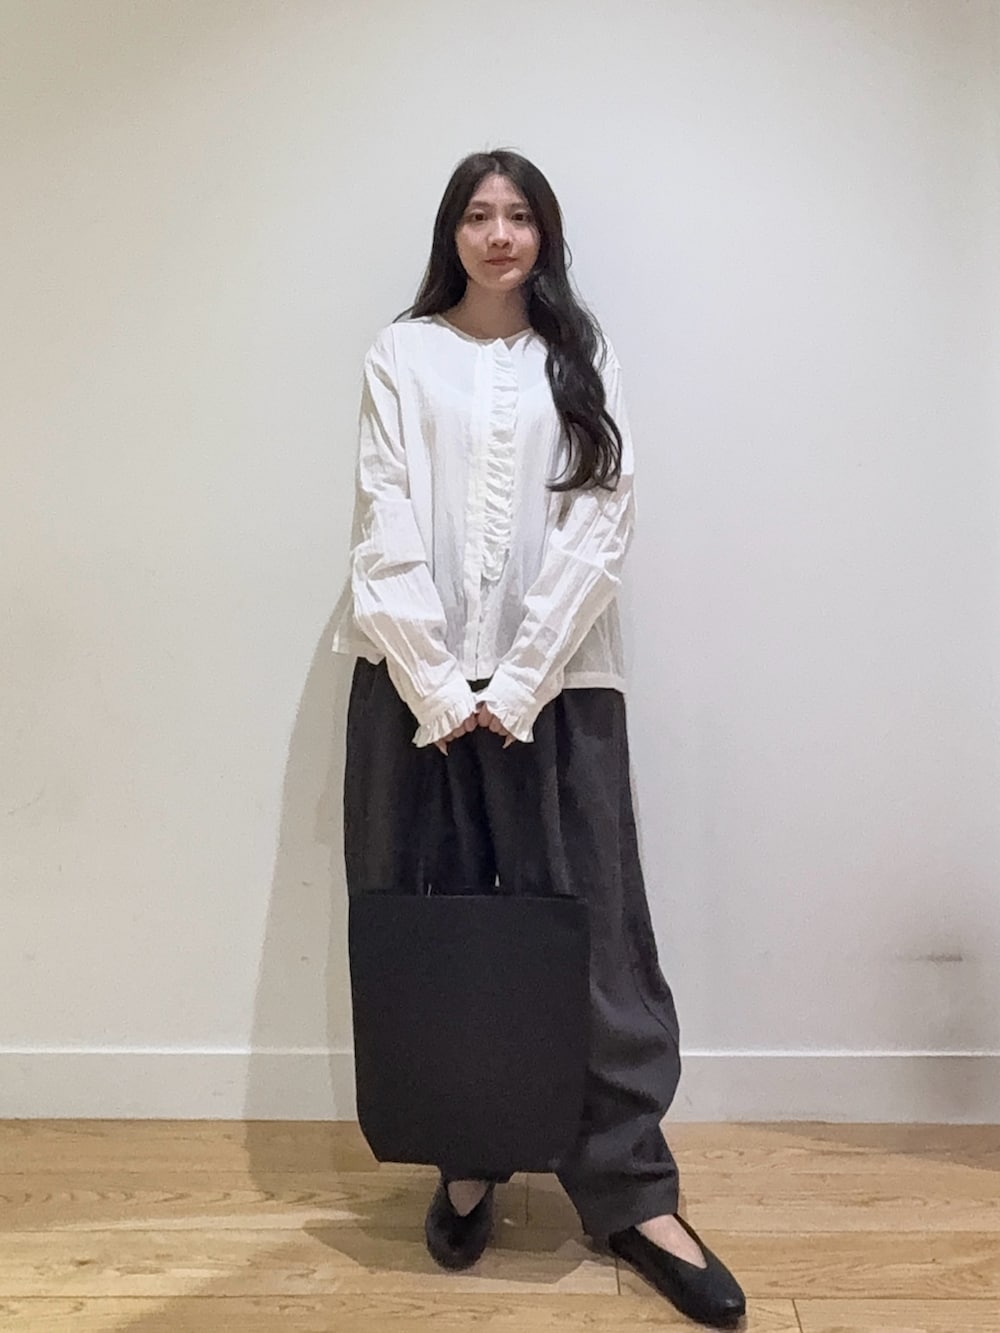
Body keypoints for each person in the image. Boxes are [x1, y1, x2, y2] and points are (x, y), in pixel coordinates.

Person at [331, 149, 746, 1329]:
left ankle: (631, 1194)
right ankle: (467, 1156)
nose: (499, 233)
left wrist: (515, 684)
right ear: (451, 234)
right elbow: (382, 518)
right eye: (478, 213)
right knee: (445, 930)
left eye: (519, 215)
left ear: (545, 234)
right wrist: (436, 681)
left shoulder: (579, 353)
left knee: (594, 936)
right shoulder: (400, 353)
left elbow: (601, 519)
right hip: (412, 692)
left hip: (561, 690)